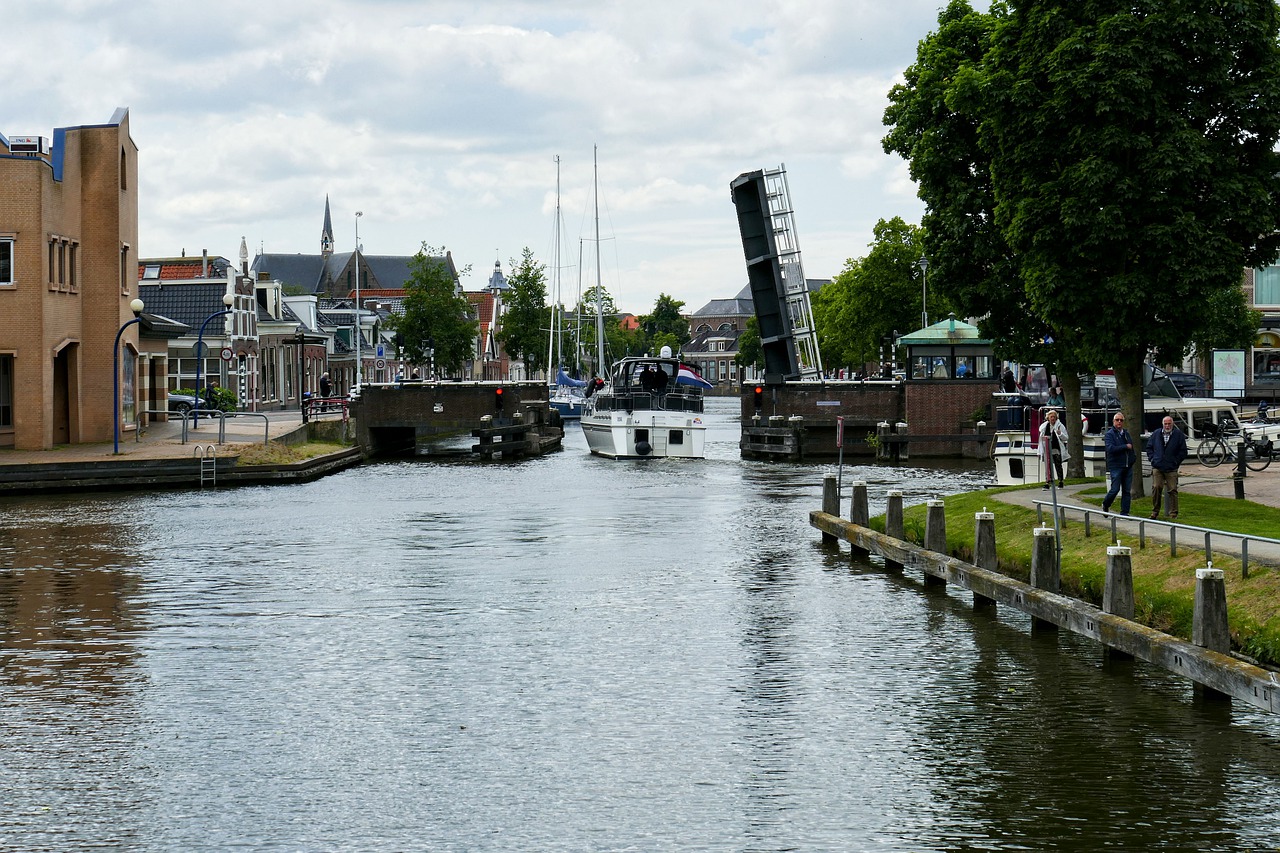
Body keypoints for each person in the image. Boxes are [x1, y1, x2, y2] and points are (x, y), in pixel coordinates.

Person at [1147, 415, 1188, 520]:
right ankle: (1155, 511)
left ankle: (1173, 512)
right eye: (1165, 423)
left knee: (1173, 489)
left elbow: (1183, 451)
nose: (1167, 425)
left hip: (1171, 467)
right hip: (1158, 466)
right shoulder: (1156, 434)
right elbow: (1149, 447)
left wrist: (1176, 462)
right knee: (1156, 487)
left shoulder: (1178, 435)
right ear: (1162, 424)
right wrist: (1153, 459)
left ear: (1173, 424)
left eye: (1169, 423)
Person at [1102, 412, 1136, 515]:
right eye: (1117, 420)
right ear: (1113, 421)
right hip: (1116, 466)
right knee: (1115, 489)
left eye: (1121, 420)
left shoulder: (1126, 433)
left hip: (1127, 466)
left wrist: (1133, 458)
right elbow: (1110, 448)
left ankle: (1125, 513)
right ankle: (1106, 504)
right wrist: (1124, 447)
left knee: (1126, 491)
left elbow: (1131, 447)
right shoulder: (1109, 434)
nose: (1119, 422)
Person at [1039, 409, 1069, 489]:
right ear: (1048, 417)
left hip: (1056, 448)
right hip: (1047, 449)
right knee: (1047, 466)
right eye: (1051, 417)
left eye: (1054, 417)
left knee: (1058, 465)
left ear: (1056, 418)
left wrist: (1060, 434)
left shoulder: (1060, 426)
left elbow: (1066, 438)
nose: (1052, 418)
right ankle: (1047, 482)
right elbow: (1041, 439)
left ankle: (1060, 481)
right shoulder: (1044, 427)